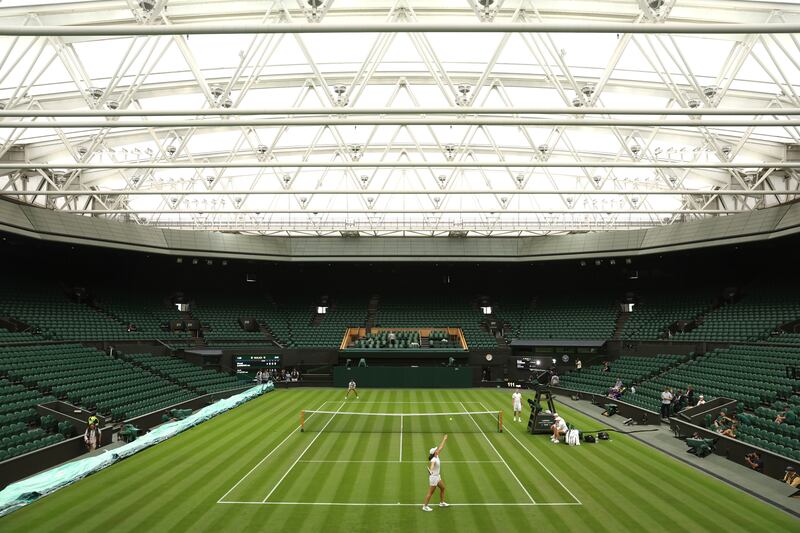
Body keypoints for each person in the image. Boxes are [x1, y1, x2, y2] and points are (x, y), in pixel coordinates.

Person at [422, 434, 449, 512]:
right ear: (434, 453)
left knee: (443, 488)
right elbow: (432, 465)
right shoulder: (433, 459)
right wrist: (431, 470)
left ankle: (442, 502)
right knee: (430, 493)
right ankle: (425, 506)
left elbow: (441, 447)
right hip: (434, 478)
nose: (437, 450)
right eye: (436, 450)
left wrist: (444, 439)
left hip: (437, 477)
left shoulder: (436, 455)